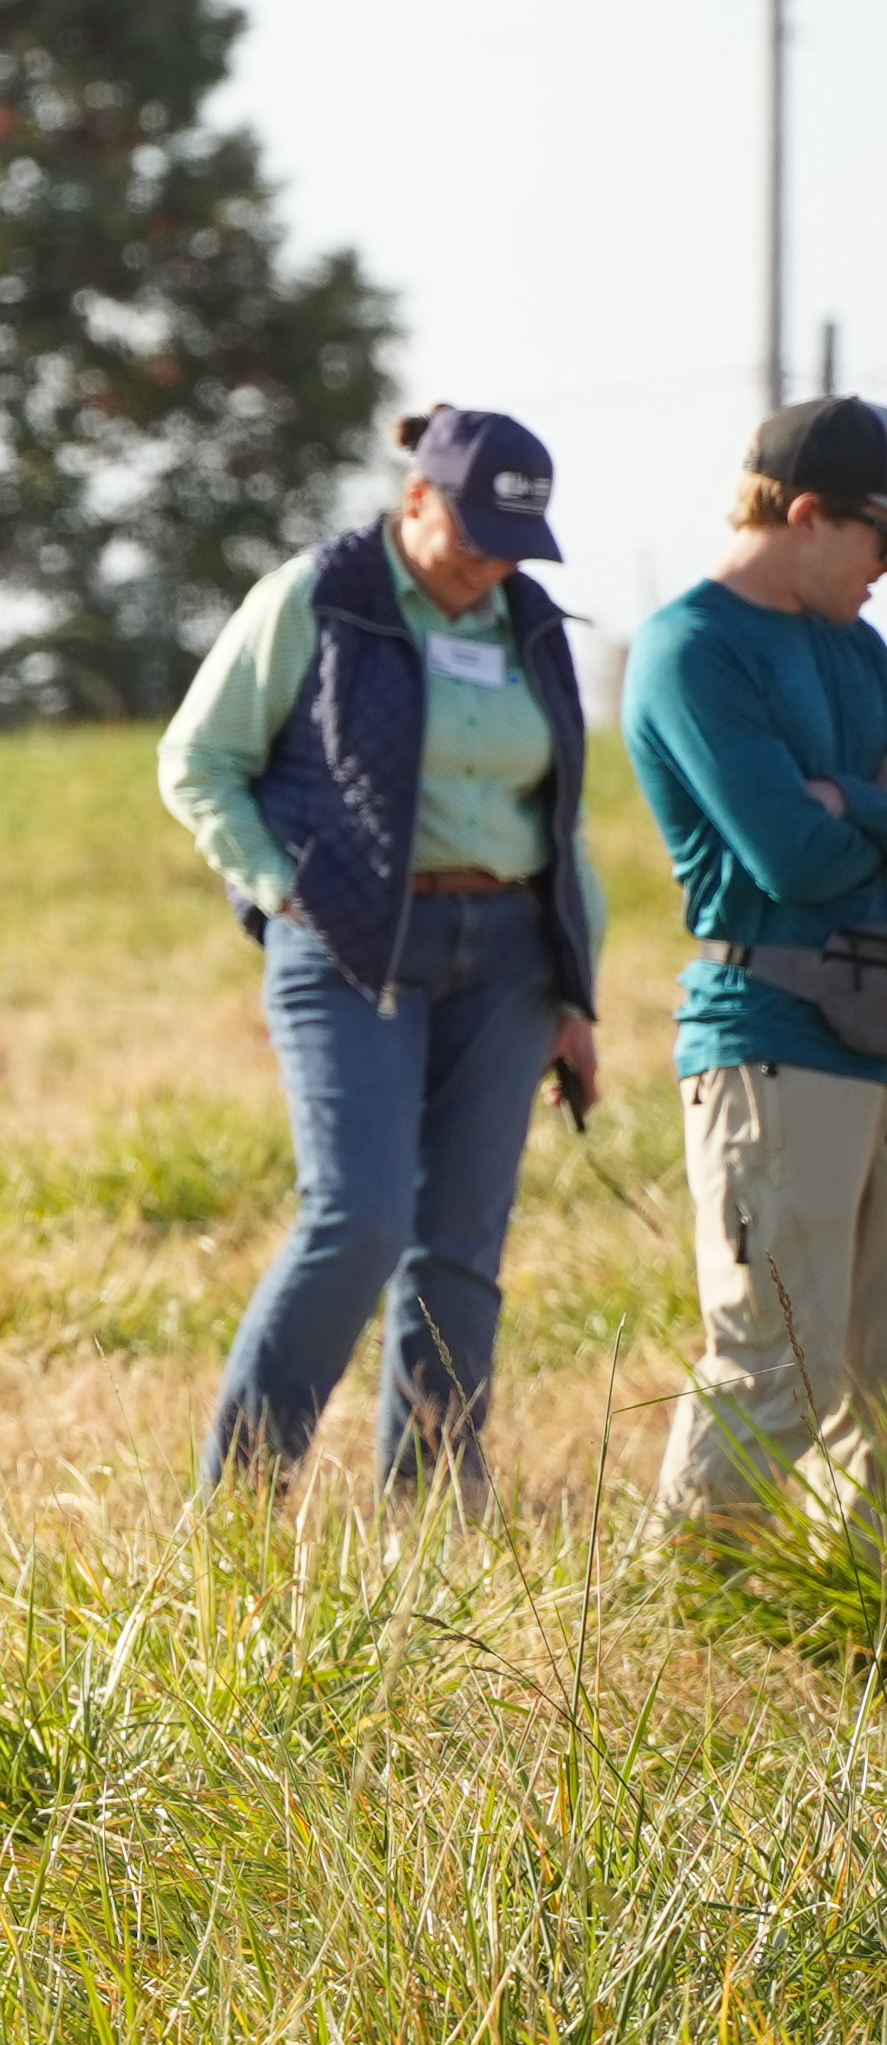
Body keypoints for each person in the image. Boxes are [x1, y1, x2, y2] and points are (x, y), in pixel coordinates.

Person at [152, 402, 598, 1502]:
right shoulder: (317, 597)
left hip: (508, 959)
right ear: (416, 499)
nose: (491, 567)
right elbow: (197, 761)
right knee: (359, 1215)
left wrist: (577, 996)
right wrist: (280, 888)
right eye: (474, 538)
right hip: (348, 943)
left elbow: (560, 819)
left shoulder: (529, 622)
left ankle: (438, 1509)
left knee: (461, 1240)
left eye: (515, 548)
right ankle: (242, 1509)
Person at [620, 396, 887, 1531]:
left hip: (872, 1035)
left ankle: (843, 1623)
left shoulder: (858, 646)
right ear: (810, 513)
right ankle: (666, 1642)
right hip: (774, 1040)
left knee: (877, 1385)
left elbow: (837, 823)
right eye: (885, 538)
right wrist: (853, 814)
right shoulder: (692, 650)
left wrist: (854, 799)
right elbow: (791, 852)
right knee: (775, 1372)